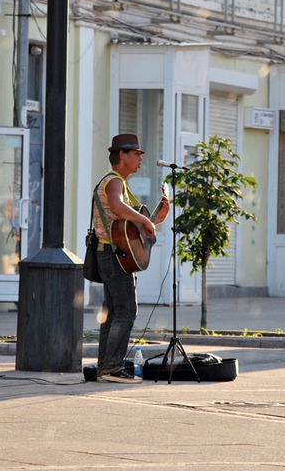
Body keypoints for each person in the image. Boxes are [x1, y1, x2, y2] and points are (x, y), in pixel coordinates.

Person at [94, 133, 169, 383]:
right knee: (126, 310)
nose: (139, 158)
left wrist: (156, 217)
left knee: (113, 311)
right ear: (121, 155)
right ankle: (112, 368)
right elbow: (116, 208)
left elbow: (130, 226)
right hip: (114, 255)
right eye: (135, 153)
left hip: (112, 253)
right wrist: (146, 219)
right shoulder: (114, 182)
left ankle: (105, 366)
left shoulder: (120, 183)